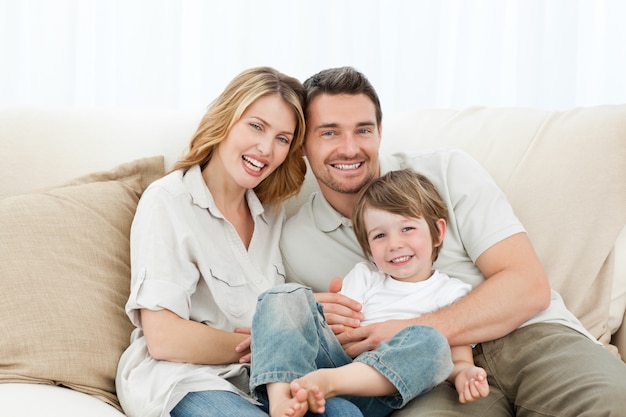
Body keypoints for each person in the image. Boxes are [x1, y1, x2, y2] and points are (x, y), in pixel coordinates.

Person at [280, 66, 626, 416]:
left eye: (363, 130)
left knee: (614, 403)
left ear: (380, 133)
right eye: (330, 133)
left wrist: (411, 329)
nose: (350, 148)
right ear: (303, 143)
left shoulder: (448, 171)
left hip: (528, 335)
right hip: (426, 375)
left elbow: (528, 285)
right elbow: (295, 334)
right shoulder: (296, 242)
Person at [115, 67, 362, 417]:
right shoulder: (168, 201)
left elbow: (271, 308)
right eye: (256, 126)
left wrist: (307, 315)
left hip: (262, 380)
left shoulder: (273, 212)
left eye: (282, 138)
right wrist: (273, 342)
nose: (265, 149)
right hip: (185, 379)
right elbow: (164, 338)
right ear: (225, 120)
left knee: (346, 414)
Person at [248, 168, 489, 417]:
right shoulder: (366, 275)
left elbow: (457, 360)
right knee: (283, 295)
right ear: (368, 248)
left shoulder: (451, 293)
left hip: (382, 390)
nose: (394, 244)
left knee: (433, 341)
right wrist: (299, 321)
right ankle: (281, 400)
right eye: (380, 235)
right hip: (334, 365)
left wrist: (465, 375)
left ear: (437, 232)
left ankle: (328, 382)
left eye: (407, 229)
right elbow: (342, 331)